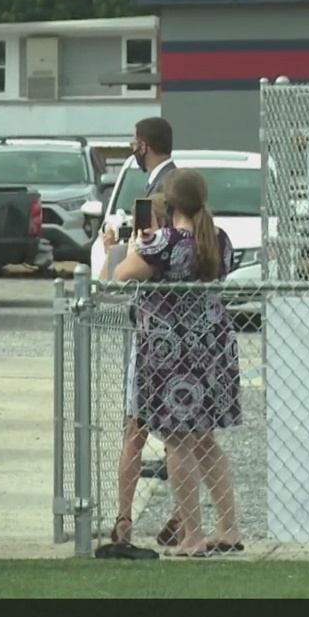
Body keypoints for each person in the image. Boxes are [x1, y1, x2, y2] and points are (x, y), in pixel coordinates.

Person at [113, 169, 243, 557]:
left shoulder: (165, 242)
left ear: (169, 205)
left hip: (172, 354)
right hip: (212, 349)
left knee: (177, 442)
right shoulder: (218, 239)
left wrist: (138, 244)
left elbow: (122, 273)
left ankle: (192, 536)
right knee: (204, 440)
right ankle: (228, 527)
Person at [125, 116, 177, 520]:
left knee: (139, 427)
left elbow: (140, 255)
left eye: (133, 140)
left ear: (143, 144)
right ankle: (183, 518)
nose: (131, 146)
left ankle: (124, 520)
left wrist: (120, 249)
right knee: (189, 435)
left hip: (155, 320)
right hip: (173, 321)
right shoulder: (172, 181)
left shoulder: (158, 192)